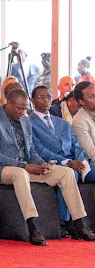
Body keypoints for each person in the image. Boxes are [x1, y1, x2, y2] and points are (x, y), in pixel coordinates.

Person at [0, 88, 95, 245]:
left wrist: (41, 163)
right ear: (9, 104)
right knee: (20, 174)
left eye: (25, 109)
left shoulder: (25, 120)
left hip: (25, 166)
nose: (23, 112)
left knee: (66, 173)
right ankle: (33, 227)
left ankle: (80, 224)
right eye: (20, 108)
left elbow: (31, 150)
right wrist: (25, 166)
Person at [30, 84, 95, 236]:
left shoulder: (62, 122)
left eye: (48, 96)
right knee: (70, 173)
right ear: (32, 101)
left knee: (82, 170)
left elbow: (76, 146)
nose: (46, 100)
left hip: (77, 163)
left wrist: (80, 160)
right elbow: (40, 150)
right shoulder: (29, 123)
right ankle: (64, 223)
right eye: (41, 97)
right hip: (54, 163)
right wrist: (67, 162)